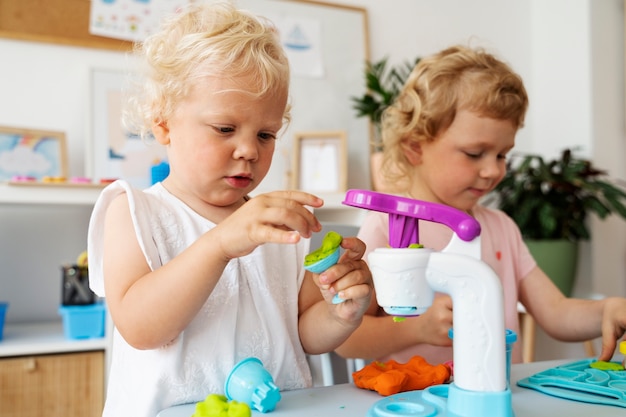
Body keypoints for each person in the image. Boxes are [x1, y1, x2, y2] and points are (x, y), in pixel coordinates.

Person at [87, 3, 372, 417]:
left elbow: (306, 333)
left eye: (266, 134)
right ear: (163, 121)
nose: (249, 150)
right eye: (225, 129)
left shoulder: (280, 227)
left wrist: (340, 313)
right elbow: (140, 327)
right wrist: (220, 243)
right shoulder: (132, 211)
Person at [335, 45, 626, 368]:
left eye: (502, 155)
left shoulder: (502, 228)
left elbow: (556, 312)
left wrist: (606, 310)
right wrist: (418, 328)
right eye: (475, 153)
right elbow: (348, 339)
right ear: (415, 147)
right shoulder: (388, 226)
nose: (492, 170)